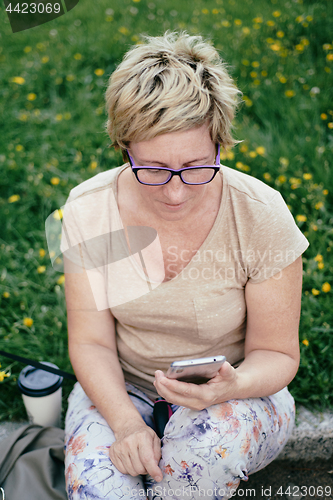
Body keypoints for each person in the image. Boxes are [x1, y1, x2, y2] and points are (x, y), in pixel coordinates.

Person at [61, 31, 309, 500]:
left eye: (197, 167)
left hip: (239, 388)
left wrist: (231, 387)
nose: (175, 193)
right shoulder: (88, 210)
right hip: (124, 388)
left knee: (194, 469)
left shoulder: (260, 213)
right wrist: (126, 423)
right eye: (152, 169)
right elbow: (90, 341)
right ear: (122, 147)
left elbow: (277, 355)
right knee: (100, 490)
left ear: (220, 144)